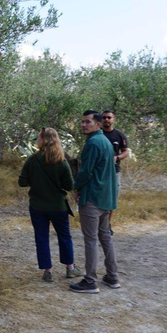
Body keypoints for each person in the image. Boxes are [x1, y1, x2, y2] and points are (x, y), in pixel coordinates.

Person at [18, 127, 82, 283]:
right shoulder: (62, 162)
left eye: (39, 137)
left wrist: (36, 182)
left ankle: (48, 271)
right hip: (58, 206)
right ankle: (70, 268)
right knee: (64, 237)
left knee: (41, 238)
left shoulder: (32, 160)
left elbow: (22, 182)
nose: (37, 140)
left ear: (43, 139)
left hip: (37, 206)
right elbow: (69, 186)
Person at [70, 111, 119, 293]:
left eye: (88, 122)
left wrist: (76, 187)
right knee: (105, 236)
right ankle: (113, 276)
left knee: (91, 239)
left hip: (92, 197)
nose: (84, 125)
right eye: (82, 122)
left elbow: (86, 171)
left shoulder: (93, 143)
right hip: (106, 197)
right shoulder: (105, 141)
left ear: (97, 124)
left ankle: (90, 280)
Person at [101, 110, 129, 198]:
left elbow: (126, 152)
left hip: (114, 170)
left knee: (113, 196)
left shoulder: (119, 135)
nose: (106, 119)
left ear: (113, 119)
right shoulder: (97, 134)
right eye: (104, 117)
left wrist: (117, 158)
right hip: (99, 170)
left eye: (109, 117)